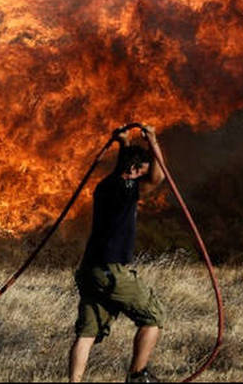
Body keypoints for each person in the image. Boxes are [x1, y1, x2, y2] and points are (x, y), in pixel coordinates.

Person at [69, 124, 167, 383]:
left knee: (86, 333)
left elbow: (123, 169)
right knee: (153, 316)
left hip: (89, 270)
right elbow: (158, 178)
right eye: (141, 173)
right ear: (133, 170)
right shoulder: (126, 189)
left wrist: (124, 143)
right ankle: (137, 376)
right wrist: (153, 142)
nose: (144, 179)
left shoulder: (105, 186)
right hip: (111, 270)